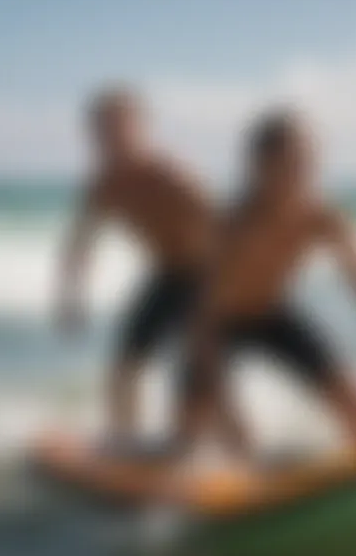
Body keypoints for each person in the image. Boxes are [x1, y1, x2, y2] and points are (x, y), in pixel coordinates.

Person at [178, 109, 356, 453]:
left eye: (308, 162)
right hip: (214, 329)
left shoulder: (320, 215)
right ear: (259, 165)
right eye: (291, 163)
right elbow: (202, 317)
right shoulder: (233, 224)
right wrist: (226, 406)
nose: (303, 173)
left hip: (272, 315)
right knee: (194, 438)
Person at [56, 85, 244, 452]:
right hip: (167, 276)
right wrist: (71, 298)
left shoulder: (171, 174)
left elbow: (225, 226)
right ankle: (126, 448)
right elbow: (80, 243)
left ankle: (240, 454)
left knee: (201, 372)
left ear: (141, 128)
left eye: (120, 127)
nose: (112, 138)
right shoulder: (103, 185)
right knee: (124, 364)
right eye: (102, 130)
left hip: (206, 275)